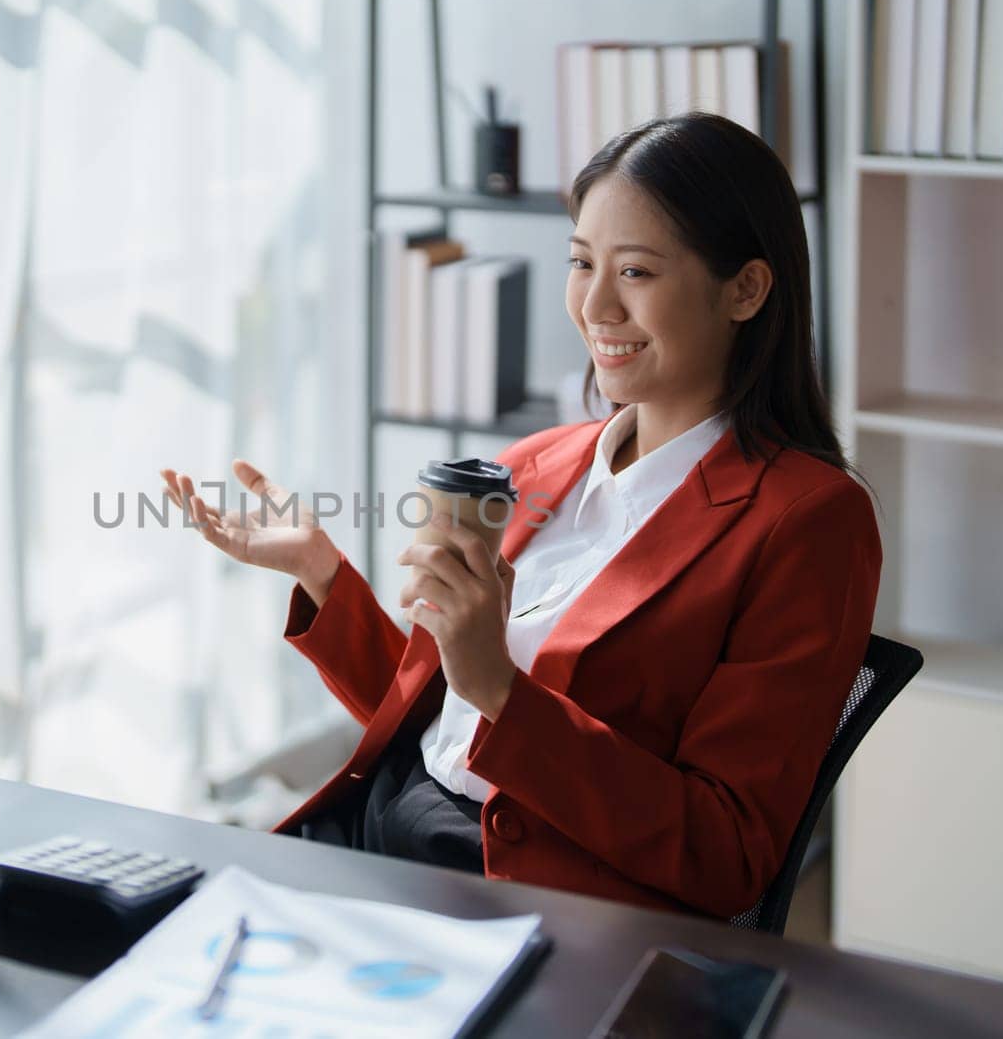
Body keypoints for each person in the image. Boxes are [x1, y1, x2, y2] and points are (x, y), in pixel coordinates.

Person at [160, 112, 881, 920]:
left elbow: (726, 852)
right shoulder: (537, 464)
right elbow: (437, 716)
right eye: (581, 262)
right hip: (386, 836)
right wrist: (322, 576)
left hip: (539, 904)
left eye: (637, 272)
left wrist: (502, 689)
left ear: (745, 288)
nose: (595, 305)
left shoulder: (808, 521)